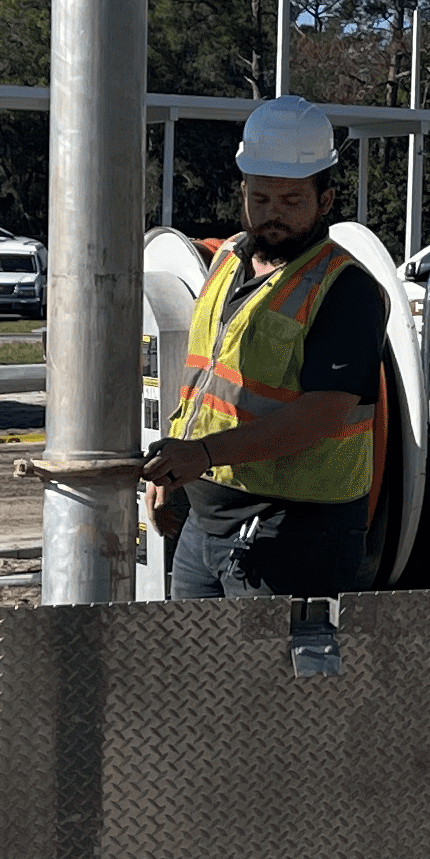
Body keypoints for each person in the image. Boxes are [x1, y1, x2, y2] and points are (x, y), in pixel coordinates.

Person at [142, 96, 388, 600]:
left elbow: (322, 415)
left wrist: (202, 454)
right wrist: (172, 467)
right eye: (261, 199)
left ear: (325, 200)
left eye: (292, 201)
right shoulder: (229, 259)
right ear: (243, 192)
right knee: (193, 673)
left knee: (270, 680)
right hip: (207, 519)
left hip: (295, 534)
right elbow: (205, 381)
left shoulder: (346, 290)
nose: (272, 215)